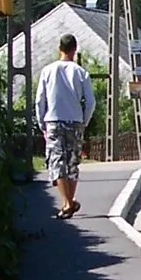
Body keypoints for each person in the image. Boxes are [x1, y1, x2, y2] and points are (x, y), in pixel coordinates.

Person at [34, 34, 95, 220]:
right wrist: (84, 120)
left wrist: (41, 123)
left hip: (53, 120)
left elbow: (39, 100)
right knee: (72, 162)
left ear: (59, 48)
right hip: (75, 120)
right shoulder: (80, 72)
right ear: (74, 50)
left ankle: (67, 203)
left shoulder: (47, 71)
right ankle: (70, 201)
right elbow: (90, 101)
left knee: (57, 161)